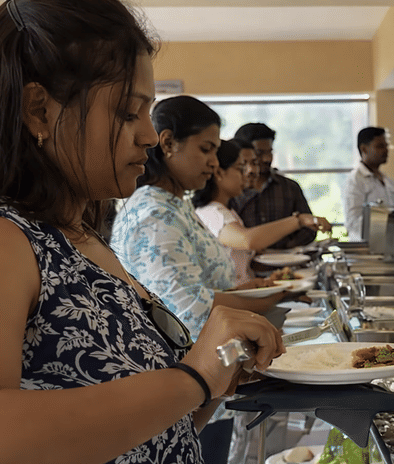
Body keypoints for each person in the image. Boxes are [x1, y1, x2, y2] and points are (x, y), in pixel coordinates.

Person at [0, 2, 284, 464]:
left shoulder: (82, 239)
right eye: (125, 113)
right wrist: (193, 377)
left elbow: (146, 433)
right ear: (38, 111)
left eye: (149, 112)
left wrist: (212, 384)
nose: (146, 135)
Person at [111, 96, 286, 341]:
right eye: (206, 149)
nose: (214, 163)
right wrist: (270, 300)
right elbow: (188, 311)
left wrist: (244, 292)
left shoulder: (173, 205)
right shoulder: (155, 215)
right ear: (169, 143)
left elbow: (194, 289)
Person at [192, 139, 328, 283]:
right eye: (240, 169)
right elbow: (248, 240)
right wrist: (298, 220)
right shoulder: (211, 213)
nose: (246, 175)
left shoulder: (226, 211)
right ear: (219, 173)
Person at [229, 123, 331, 249]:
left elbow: (309, 228)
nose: (267, 159)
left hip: (287, 263)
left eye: (270, 152)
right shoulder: (230, 192)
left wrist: (286, 249)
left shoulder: (289, 187)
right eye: (259, 153)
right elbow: (240, 238)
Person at [343, 126, 394, 241]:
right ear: (364, 149)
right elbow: (353, 223)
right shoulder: (355, 181)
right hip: (367, 250)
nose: (386, 150)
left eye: (386, 145)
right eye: (380, 146)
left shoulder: (386, 180)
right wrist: (388, 215)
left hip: (390, 246)